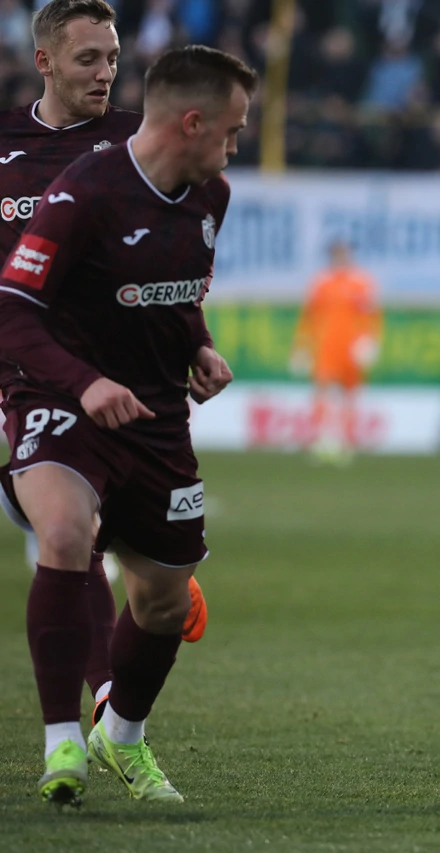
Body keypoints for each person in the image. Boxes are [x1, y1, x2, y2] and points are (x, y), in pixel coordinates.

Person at [0, 43, 256, 806]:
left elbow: (174, 296)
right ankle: (62, 742)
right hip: (61, 398)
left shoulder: (211, 197)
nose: (237, 145)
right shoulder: (84, 193)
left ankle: (122, 733)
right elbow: (12, 308)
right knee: (65, 536)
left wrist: (200, 348)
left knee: (166, 603)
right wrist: (84, 382)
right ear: (191, 121)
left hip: (155, 416)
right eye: (233, 130)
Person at [290, 238, 382, 465]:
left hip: (350, 348)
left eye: (343, 252)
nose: (340, 257)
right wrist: (302, 346)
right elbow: (309, 317)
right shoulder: (322, 283)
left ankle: (347, 444)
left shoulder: (361, 283)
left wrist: (370, 341)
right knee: (322, 393)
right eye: (336, 253)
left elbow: (371, 316)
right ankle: (320, 441)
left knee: (350, 396)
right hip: (327, 347)